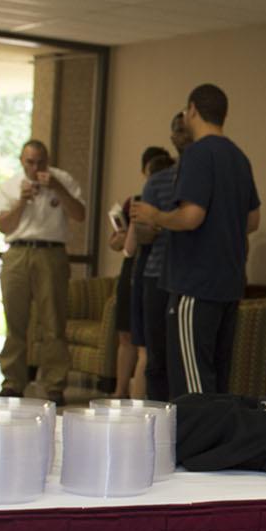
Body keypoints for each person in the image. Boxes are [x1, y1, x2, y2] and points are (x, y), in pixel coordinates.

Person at [131, 84, 260, 396]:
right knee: (216, 373)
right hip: (229, 282)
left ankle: (199, 443)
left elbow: (191, 216)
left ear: (192, 110)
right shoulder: (238, 157)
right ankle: (216, 440)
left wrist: (155, 215)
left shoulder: (198, 153)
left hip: (196, 282)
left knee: (192, 380)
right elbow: (253, 220)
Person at [0, 139, 84, 401]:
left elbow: (79, 214)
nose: (36, 167)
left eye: (41, 162)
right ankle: (13, 381)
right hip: (18, 254)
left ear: (48, 160)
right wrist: (21, 203)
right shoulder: (10, 185)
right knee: (15, 321)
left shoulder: (63, 179)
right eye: (30, 162)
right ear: (22, 161)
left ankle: (55, 385)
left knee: (53, 322)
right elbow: (3, 226)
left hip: (51, 253)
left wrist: (57, 189)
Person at [130, 109, 193, 404]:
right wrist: (154, 223)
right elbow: (142, 235)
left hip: (192, 277)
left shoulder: (209, 176)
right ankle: (156, 416)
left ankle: (189, 420)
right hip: (156, 275)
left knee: (186, 357)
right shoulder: (157, 182)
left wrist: (165, 218)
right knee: (156, 357)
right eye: (179, 131)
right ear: (172, 137)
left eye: (188, 129)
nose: (184, 135)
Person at [108, 145, 172, 398]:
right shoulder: (136, 203)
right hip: (139, 274)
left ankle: (140, 405)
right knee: (138, 342)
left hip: (148, 275)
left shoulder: (155, 208)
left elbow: (130, 248)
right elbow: (119, 244)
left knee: (147, 348)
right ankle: (121, 392)